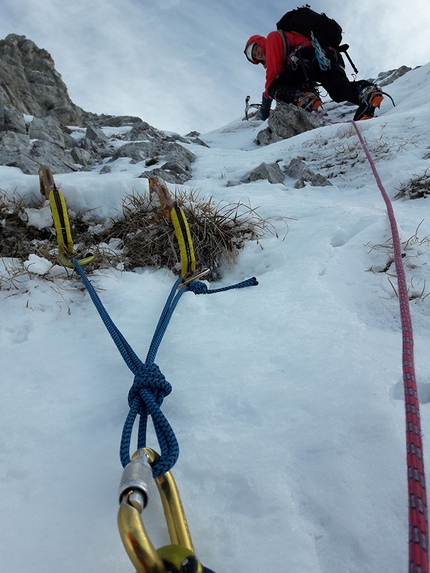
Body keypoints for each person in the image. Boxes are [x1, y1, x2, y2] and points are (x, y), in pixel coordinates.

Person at [244, 30, 383, 121]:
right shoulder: (282, 49)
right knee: (338, 91)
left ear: (260, 42)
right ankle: (367, 93)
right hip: (328, 56)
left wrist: (266, 102)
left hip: (308, 58)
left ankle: (303, 97)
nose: (257, 53)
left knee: (274, 87)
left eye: (255, 49)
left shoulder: (272, 38)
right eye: (254, 56)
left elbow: (272, 75)